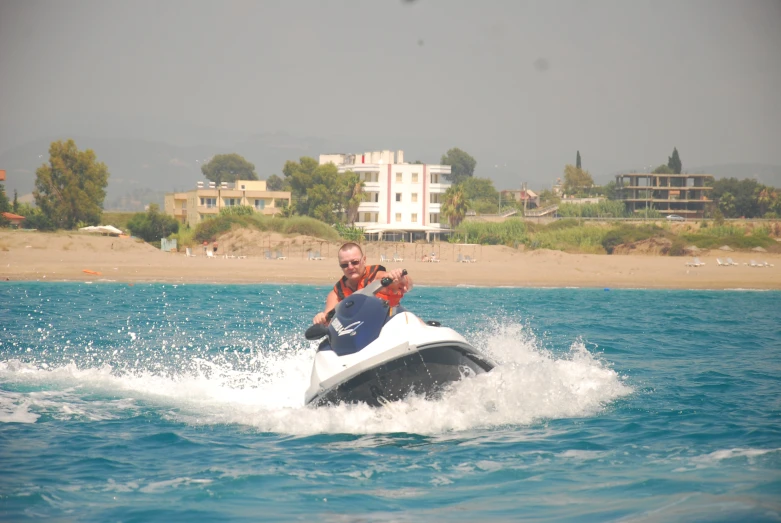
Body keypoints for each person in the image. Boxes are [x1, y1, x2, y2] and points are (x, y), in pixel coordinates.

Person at [312, 242, 412, 325]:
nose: (350, 267)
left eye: (354, 262)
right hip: (362, 336)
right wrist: (321, 318)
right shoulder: (337, 293)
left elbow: (406, 284)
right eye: (345, 265)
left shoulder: (377, 278)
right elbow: (327, 318)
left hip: (391, 324)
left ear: (364, 260)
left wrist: (400, 278)